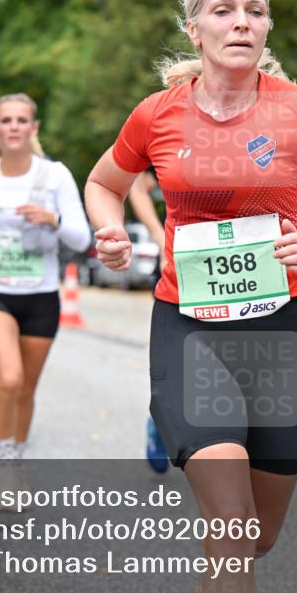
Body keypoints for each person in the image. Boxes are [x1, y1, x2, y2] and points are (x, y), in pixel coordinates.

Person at [84, 0, 297, 593]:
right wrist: (110, 232)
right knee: (232, 528)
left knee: (257, 535)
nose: (242, 20)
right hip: (191, 327)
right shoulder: (156, 115)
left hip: (285, 327)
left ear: (267, 26)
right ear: (195, 29)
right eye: (224, 10)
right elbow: (102, 183)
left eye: (255, 9)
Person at [0, 93, 90, 462]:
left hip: (41, 297)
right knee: (10, 378)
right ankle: (5, 460)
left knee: (26, 389)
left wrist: (52, 219)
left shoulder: (55, 175)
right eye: (6, 120)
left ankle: (17, 455)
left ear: (34, 128)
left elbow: (81, 237)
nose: (14, 127)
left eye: (21, 120)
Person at [127, 169, 171, 474]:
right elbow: (137, 187)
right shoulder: (176, 125)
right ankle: (159, 426)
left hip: (247, 268)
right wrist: (160, 236)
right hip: (182, 261)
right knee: (177, 364)